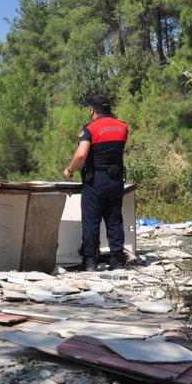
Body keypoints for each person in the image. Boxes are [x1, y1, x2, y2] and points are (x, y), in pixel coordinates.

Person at [63, 95, 129, 271]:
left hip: (95, 182)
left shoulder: (90, 129)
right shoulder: (123, 127)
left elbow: (81, 154)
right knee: (114, 221)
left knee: (91, 222)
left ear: (93, 111)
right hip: (116, 181)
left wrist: (70, 170)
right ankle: (117, 261)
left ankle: (90, 262)